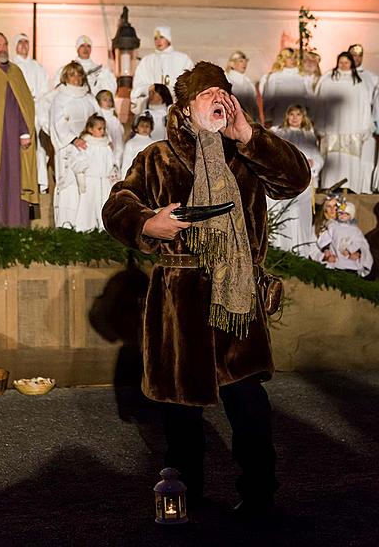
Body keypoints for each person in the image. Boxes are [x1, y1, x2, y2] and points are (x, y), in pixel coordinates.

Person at [102, 61, 310, 520]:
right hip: (180, 301)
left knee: (249, 404)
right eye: (206, 94)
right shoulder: (158, 157)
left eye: (223, 91)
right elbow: (117, 205)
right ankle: (184, 497)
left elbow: (296, 178)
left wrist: (249, 135)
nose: (217, 99)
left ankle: (259, 497)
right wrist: (147, 223)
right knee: (182, 410)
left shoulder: (247, 155)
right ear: (184, 108)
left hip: (236, 298)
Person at [0, 31, 38, 228]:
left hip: (14, 138)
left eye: (4, 44)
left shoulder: (16, 72)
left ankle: (15, 226)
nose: (2, 48)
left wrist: (24, 131)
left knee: (15, 178)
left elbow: (25, 104)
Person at [267, 104, 323, 257]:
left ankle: (300, 250)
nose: (295, 118)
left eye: (298, 115)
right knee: (286, 213)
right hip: (285, 181)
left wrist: (313, 163)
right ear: (287, 116)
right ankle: (283, 247)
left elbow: (318, 157)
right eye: (292, 115)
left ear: (303, 117)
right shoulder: (279, 133)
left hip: (303, 181)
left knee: (300, 215)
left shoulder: (309, 136)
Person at [315, 51, 374, 194]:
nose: (343, 65)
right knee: (332, 159)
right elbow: (320, 105)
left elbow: (365, 107)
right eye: (340, 62)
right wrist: (320, 125)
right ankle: (329, 187)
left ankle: (350, 188)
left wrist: (364, 128)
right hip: (333, 129)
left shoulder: (358, 83)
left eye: (346, 62)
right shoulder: (328, 80)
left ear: (351, 64)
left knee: (349, 161)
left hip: (352, 129)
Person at [49, 61, 98, 227]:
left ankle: (87, 226)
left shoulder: (89, 97)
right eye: (72, 74)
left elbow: (98, 120)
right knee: (70, 189)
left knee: (88, 187)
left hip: (90, 147)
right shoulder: (60, 97)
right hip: (69, 149)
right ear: (65, 78)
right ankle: (67, 227)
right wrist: (73, 139)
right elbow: (57, 123)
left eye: (79, 74)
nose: (76, 78)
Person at [12, 32, 50, 193]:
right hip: (15, 110)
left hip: (35, 109)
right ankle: (16, 183)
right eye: (20, 42)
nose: (24, 46)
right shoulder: (11, 66)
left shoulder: (37, 67)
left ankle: (39, 182)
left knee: (37, 147)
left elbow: (44, 92)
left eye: (26, 42)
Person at [70, 114, 120, 232]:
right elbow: (78, 162)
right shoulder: (86, 144)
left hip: (105, 180)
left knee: (105, 204)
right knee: (89, 204)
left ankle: (105, 228)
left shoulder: (106, 145)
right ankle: (85, 227)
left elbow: (112, 161)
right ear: (90, 129)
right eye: (99, 129)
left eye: (104, 128)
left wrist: (113, 173)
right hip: (91, 180)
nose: (102, 131)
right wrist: (82, 174)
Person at [130, 26, 193, 108]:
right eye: (155, 38)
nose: (158, 41)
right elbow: (138, 84)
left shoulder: (182, 59)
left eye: (162, 37)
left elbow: (189, 82)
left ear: (168, 39)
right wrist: (149, 88)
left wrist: (170, 91)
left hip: (175, 104)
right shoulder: (147, 60)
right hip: (153, 105)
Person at [348, 44, 379, 193]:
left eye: (359, 55)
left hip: (367, 126)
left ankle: (366, 190)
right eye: (353, 55)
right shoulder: (339, 76)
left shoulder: (372, 78)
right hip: (347, 125)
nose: (356, 58)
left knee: (366, 159)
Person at [313, 201, 373, 277]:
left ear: (350, 216)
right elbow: (324, 238)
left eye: (346, 214)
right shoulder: (333, 227)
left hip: (349, 256)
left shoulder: (355, 230)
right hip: (336, 255)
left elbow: (359, 242)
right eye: (340, 213)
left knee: (352, 266)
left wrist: (350, 250)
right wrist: (326, 249)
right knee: (335, 266)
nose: (343, 216)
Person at [259, 47, 311, 127]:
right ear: (282, 59)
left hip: (300, 120)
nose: (293, 60)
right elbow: (268, 100)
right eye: (289, 57)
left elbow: (310, 99)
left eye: (295, 57)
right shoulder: (274, 77)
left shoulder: (304, 77)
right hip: (280, 118)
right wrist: (268, 118)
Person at [225, 50, 259, 121]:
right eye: (241, 61)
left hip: (250, 121)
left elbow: (254, 106)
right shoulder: (226, 80)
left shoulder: (249, 82)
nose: (244, 64)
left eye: (245, 61)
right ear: (232, 64)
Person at [96, 89, 125, 169]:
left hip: (118, 149)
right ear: (98, 102)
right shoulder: (99, 117)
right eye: (105, 100)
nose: (108, 102)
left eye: (110, 100)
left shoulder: (114, 118)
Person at [120, 112, 154, 179]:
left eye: (147, 126)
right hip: (135, 176)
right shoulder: (131, 143)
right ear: (136, 128)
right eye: (142, 126)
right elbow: (126, 163)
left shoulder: (154, 143)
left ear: (151, 129)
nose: (144, 128)